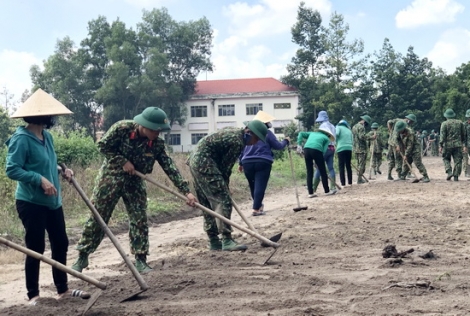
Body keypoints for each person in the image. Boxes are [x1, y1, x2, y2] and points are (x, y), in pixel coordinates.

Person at [72, 107, 197, 273]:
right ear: (144, 126)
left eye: (160, 130)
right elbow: (103, 146)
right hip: (111, 177)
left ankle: (141, 259)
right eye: (155, 130)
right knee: (98, 215)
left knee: (139, 218)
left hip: (135, 181)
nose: (157, 134)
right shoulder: (122, 129)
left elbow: (169, 166)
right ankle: (83, 256)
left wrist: (186, 191)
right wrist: (123, 161)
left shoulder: (157, 144)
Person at [5, 89, 90, 305]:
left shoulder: (47, 137)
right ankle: (33, 294)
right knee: (35, 247)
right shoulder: (21, 139)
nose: (53, 119)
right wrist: (38, 178)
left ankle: (62, 290)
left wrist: (63, 169)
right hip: (31, 202)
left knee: (60, 243)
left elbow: (50, 161)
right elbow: (12, 169)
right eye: (51, 115)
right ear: (42, 116)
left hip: (53, 202)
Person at [188, 120, 268, 251]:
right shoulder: (237, 142)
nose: (256, 142)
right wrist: (225, 187)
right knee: (223, 199)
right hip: (205, 163)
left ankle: (214, 241)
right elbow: (226, 167)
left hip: (195, 161)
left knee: (206, 202)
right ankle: (226, 239)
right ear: (250, 134)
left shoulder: (234, 132)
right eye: (257, 139)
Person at [238, 111, 290, 216]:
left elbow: (242, 149)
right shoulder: (267, 133)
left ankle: (258, 205)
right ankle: (256, 209)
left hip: (247, 161)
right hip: (263, 161)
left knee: (252, 185)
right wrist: (286, 141)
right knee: (260, 185)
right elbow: (278, 146)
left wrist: (240, 162)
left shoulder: (246, 134)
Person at [297, 127, 336, 197]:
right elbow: (323, 151)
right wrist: (318, 161)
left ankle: (310, 193)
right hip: (317, 151)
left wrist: (299, 144)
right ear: (328, 134)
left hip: (306, 149)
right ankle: (327, 191)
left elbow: (301, 134)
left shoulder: (312, 133)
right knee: (323, 171)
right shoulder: (326, 138)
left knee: (309, 171)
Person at [386, 113, 417, 180]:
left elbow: (389, 122)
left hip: (390, 141)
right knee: (398, 158)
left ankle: (389, 175)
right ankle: (399, 175)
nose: (411, 123)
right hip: (396, 142)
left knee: (391, 159)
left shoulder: (397, 120)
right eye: (411, 122)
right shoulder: (402, 123)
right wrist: (397, 145)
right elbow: (396, 136)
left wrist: (390, 131)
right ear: (409, 120)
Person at [439, 108, 467, 181]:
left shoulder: (444, 124)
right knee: (458, 160)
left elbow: (442, 136)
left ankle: (449, 171)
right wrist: (464, 145)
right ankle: (456, 176)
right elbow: (464, 135)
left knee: (445, 158)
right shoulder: (460, 123)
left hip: (447, 145)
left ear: (446, 116)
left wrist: (441, 145)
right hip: (458, 145)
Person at [313, 111, 337, 193]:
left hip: (324, 149)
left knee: (319, 168)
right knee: (331, 168)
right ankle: (333, 187)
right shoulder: (333, 126)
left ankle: (313, 188)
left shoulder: (322, 126)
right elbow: (334, 138)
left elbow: (321, 139)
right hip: (332, 148)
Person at [352, 115, 374, 184]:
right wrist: (371, 137)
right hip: (361, 149)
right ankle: (359, 179)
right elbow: (362, 137)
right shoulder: (361, 127)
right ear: (364, 121)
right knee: (362, 164)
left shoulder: (354, 127)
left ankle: (359, 178)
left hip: (356, 148)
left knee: (359, 164)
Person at [335, 119, 353, 187]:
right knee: (348, 165)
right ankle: (350, 182)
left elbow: (336, 134)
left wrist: (335, 142)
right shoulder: (349, 130)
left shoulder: (338, 127)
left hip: (341, 148)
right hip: (349, 148)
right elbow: (352, 140)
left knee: (341, 166)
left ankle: (343, 184)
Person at [464, 110, 470, 177]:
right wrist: (464, 145)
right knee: (465, 159)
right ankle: (467, 172)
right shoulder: (464, 124)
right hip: (466, 145)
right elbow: (463, 136)